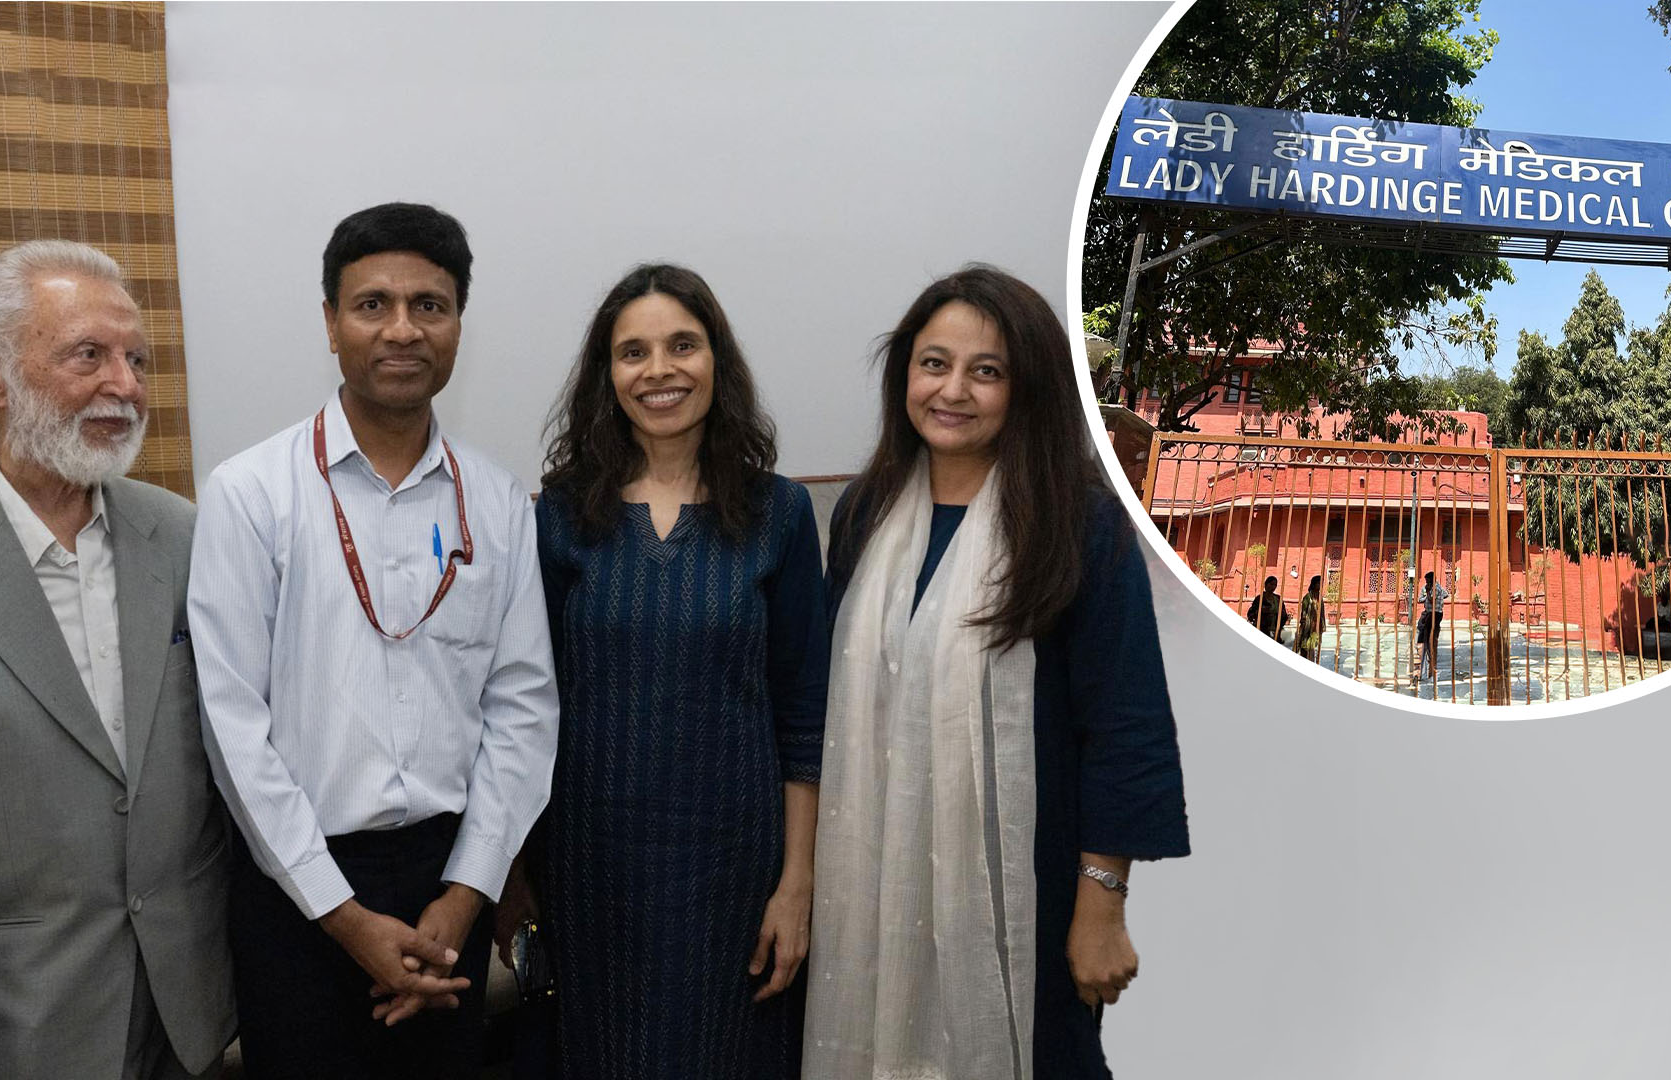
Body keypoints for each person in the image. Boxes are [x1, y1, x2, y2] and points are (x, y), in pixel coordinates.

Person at [188, 203, 560, 1079]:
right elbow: (231, 725)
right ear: (330, 323)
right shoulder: (251, 494)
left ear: (459, 324)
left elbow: (523, 706)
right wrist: (344, 917)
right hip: (299, 888)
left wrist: (466, 897)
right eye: (373, 305)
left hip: (449, 883)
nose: (403, 329)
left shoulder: (498, 502)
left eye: (430, 305)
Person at [805, 265, 1190, 1079]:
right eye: (933, 363)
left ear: (1028, 390)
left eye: (987, 371)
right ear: (904, 373)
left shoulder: (1077, 522)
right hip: (870, 884)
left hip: (1028, 892)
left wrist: (1102, 904)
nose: (954, 390)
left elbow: (1125, 724)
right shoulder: (865, 510)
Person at [0, 240, 233, 1078]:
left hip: (190, 1014)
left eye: (136, 359)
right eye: (89, 354)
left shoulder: (186, 535)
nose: (124, 386)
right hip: (21, 1026)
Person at [504, 264, 828, 1078]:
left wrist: (797, 885)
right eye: (633, 352)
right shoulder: (557, 516)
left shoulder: (779, 515)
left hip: (736, 874)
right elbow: (519, 708)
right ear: (607, 377)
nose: (659, 371)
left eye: (682, 345)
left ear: (717, 360)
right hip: (587, 869)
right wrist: (513, 872)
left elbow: (805, 717)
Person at [1415, 569, 1450, 683]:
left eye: (1427, 581)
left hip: (1433, 614)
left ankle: (1427, 654)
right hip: (1436, 614)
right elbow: (1446, 594)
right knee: (1431, 635)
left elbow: (1432, 599)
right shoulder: (1439, 588)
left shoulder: (1434, 588)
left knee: (1426, 636)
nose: (1426, 583)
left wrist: (1428, 592)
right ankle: (1429, 654)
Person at [1246, 574, 1288, 643]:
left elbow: (1284, 615)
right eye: (1271, 584)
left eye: (1275, 585)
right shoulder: (1260, 599)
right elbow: (1250, 614)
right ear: (1266, 584)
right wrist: (1261, 611)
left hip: (1275, 631)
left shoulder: (1278, 599)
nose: (1273, 587)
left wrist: (1282, 616)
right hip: (1262, 630)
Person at [1296, 574, 1326, 662]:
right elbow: (1304, 613)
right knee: (1305, 647)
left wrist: (1321, 625)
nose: (1320, 586)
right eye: (1318, 583)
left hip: (1315, 627)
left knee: (1312, 648)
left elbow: (1321, 612)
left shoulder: (1319, 598)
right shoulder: (1307, 598)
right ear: (1314, 584)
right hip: (1307, 627)